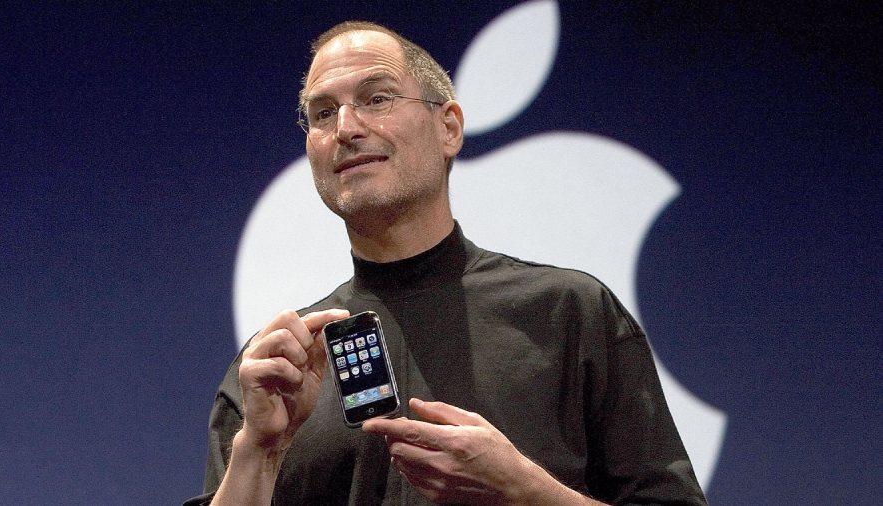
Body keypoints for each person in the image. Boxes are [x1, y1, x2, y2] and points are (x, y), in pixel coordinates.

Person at [184, 21, 707, 506]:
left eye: (377, 98)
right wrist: (260, 450)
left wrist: (523, 488)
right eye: (323, 113)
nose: (346, 127)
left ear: (449, 128)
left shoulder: (568, 312)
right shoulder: (279, 368)